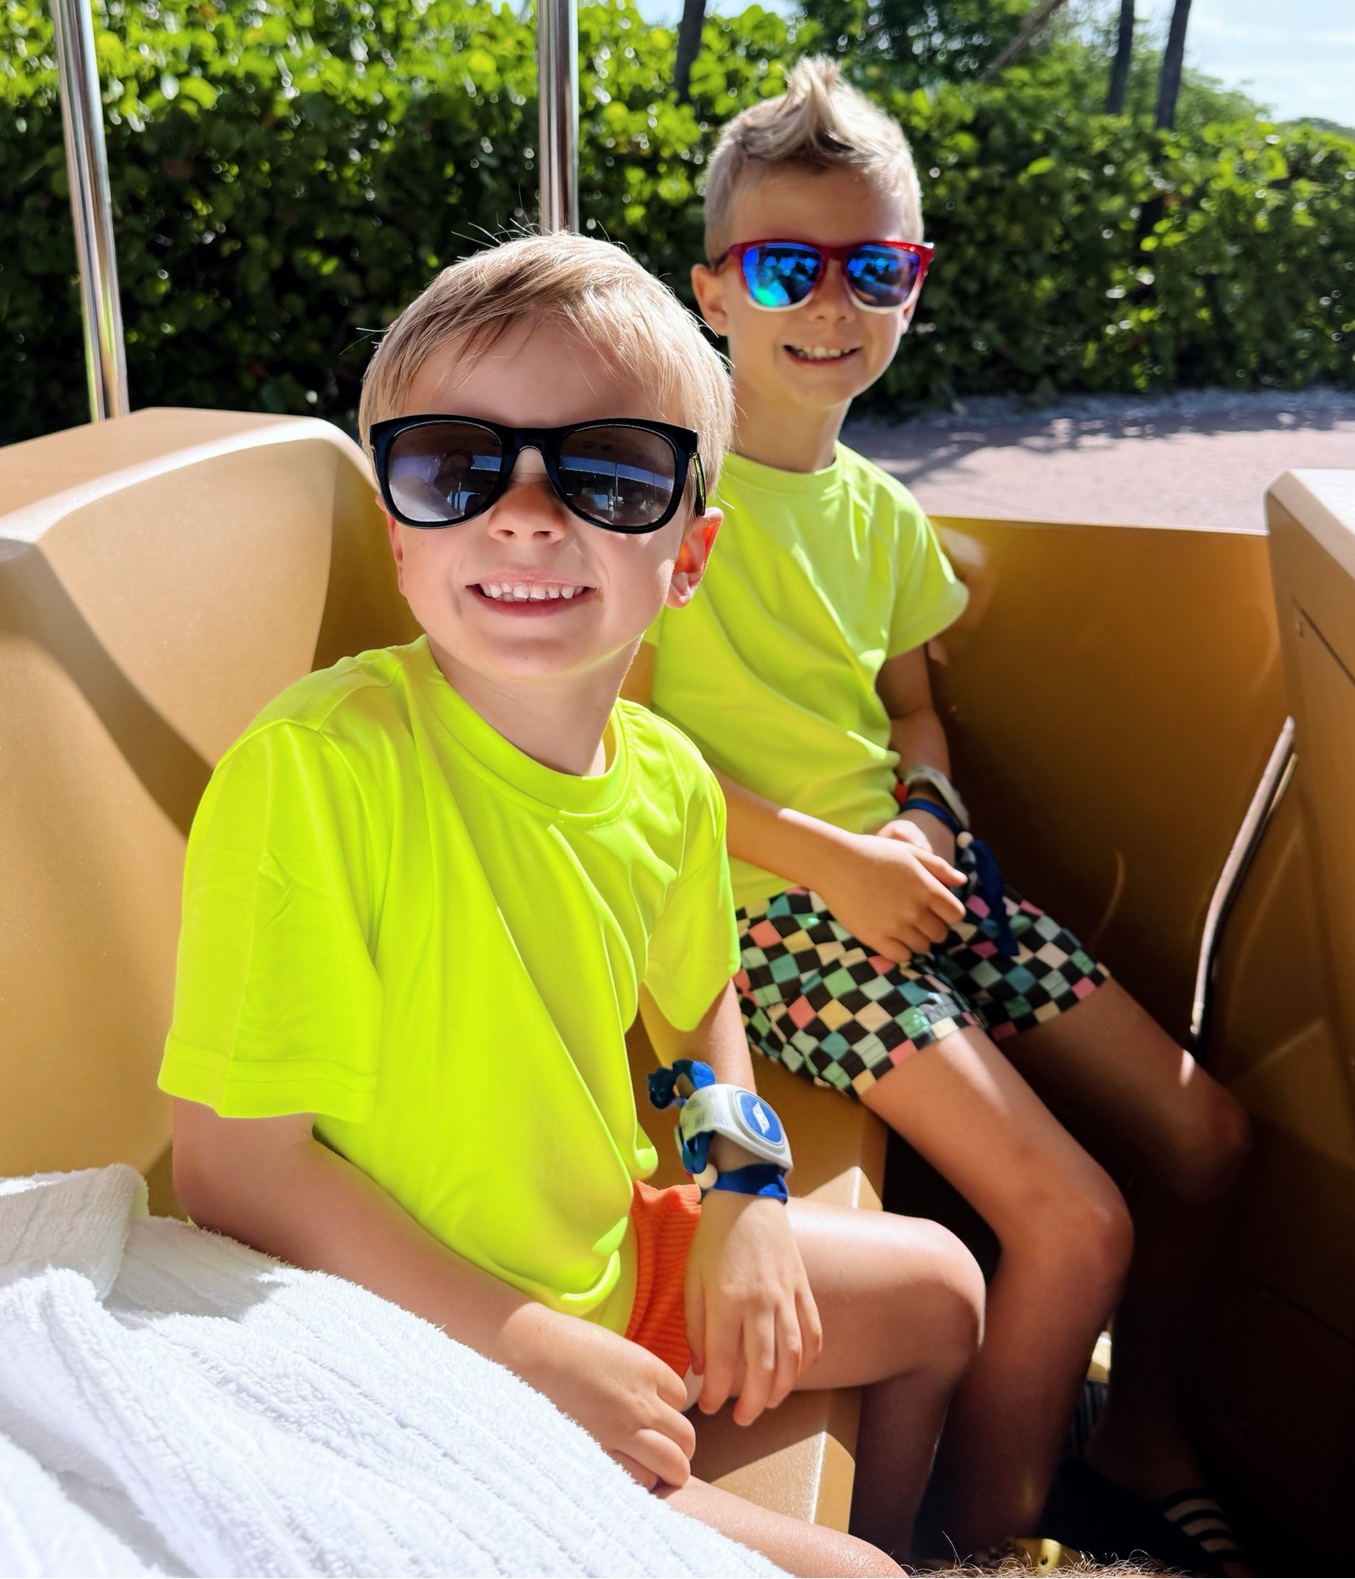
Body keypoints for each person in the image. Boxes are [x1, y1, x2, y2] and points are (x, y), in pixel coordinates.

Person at [160, 235, 986, 1579]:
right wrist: (532, 1349)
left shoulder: (666, 777)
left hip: (607, 1262)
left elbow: (701, 1006)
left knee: (946, 1290)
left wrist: (744, 1194)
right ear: (398, 532)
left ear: (690, 553)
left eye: (609, 474)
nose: (527, 514)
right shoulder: (317, 770)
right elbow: (236, 1170)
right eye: (453, 467)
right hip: (408, 1345)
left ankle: (928, 1534)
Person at [627, 61, 1253, 1574]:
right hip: (772, 915)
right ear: (713, 293)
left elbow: (910, 710)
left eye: (876, 268)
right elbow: (624, 750)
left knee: (1207, 1136)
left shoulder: (881, 514)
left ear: (914, 287)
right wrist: (839, 863)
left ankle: (1141, 1429)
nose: (832, 303)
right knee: (1078, 1222)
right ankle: (983, 1542)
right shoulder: (656, 495)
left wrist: (923, 813)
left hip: (912, 875)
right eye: (787, 267)